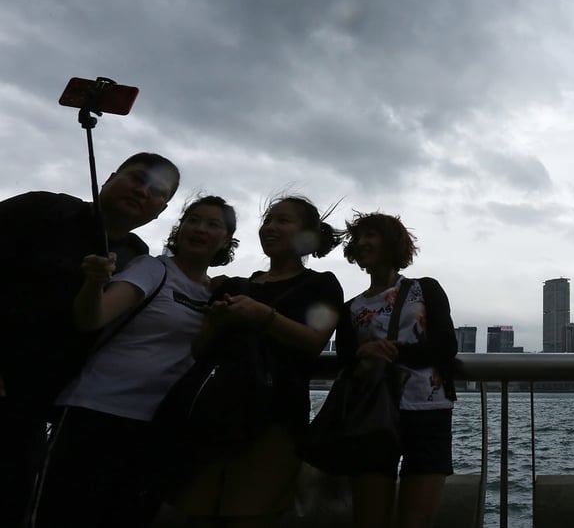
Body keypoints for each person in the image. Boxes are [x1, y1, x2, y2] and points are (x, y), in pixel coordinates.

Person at [32, 195, 238, 528]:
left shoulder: (213, 295)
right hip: (96, 411)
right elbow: (92, 318)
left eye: (213, 224)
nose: (200, 228)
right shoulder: (152, 268)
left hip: (156, 425)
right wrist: (94, 284)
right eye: (193, 219)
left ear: (226, 240)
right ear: (180, 227)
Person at [0, 152, 179, 527]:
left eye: (157, 191)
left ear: (161, 211)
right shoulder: (42, 208)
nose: (142, 191)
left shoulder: (136, 258)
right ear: (110, 177)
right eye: (136, 177)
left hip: (35, 406)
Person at [172, 195, 346, 528]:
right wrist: (215, 322)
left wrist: (263, 315)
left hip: (274, 418)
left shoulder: (321, 284)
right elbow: (199, 350)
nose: (271, 228)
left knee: (251, 512)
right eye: (268, 220)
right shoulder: (237, 285)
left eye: (283, 220)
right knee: (198, 511)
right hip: (213, 416)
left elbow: (313, 342)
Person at [338, 212, 458, 528]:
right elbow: (346, 359)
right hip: (372, 412)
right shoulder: (351, 308)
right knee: (369, 519)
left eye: (371, 235)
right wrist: (363, 353)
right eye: (359, 237)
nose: (362, 243)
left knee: (416, 520)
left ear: (393, 243)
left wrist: (391, 353)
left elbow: (446, 345)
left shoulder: (426, 289)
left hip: (428, 411)